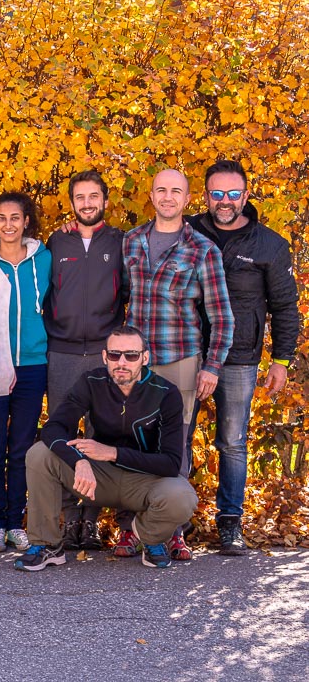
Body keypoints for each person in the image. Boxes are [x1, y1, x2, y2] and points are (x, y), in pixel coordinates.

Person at [17, 325, 198, 571]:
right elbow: (54, 428)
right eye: (114, 355)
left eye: (131, 355)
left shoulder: (166, 393)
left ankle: (149, 538)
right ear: (105, 357)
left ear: (144, 358)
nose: (122, 362)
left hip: (145, 481)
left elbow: (170, 463)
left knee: (183, 496)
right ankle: (47, 545)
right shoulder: (92, 382)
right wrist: (78, 461)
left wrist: (112, 453)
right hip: (97, 478)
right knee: (39, 454)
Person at [187, 160, 300, 555]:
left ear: (246, 195)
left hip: (240, 356)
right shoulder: (188, 233)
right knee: (176, 437)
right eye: (216, 193)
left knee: (232, 441)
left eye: (233, 193)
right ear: (205, 196)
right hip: (187, 351)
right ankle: (175, 523)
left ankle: (230, 522)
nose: (224, 201)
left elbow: (285, 307)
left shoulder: (269, 244)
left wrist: (282, 360)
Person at [122, 168, 233, 560]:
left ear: (187, 200)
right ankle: (130, 529)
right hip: (134, 363)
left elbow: (221, 316)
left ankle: (172, 532)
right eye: (161, 190)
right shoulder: (131, 241)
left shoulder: (203, 249)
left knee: (176, 447)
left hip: (181, 360)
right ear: (151, 196)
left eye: (176, 192)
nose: (168, 197)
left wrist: (212, 366)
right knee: (129, 441)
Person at [43, 169, 127, 551]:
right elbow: (44, 295)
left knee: (98, 436)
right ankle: (67, 518)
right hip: (60, 352)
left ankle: (90, 521)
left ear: (104, 201)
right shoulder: (56, 242)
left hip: (102, 355)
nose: (87, 203)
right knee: (61, 434)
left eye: (94, 196)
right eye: (81, 197)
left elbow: (126, 293)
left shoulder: (121, 242)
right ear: (72, 203)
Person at [0, 192, 51, 553]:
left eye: (15, 218)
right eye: (2, 218)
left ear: (26, 222)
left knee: (21, 446)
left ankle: (16, 524)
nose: (8, 225)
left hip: (33, 364)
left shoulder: (44, 259)